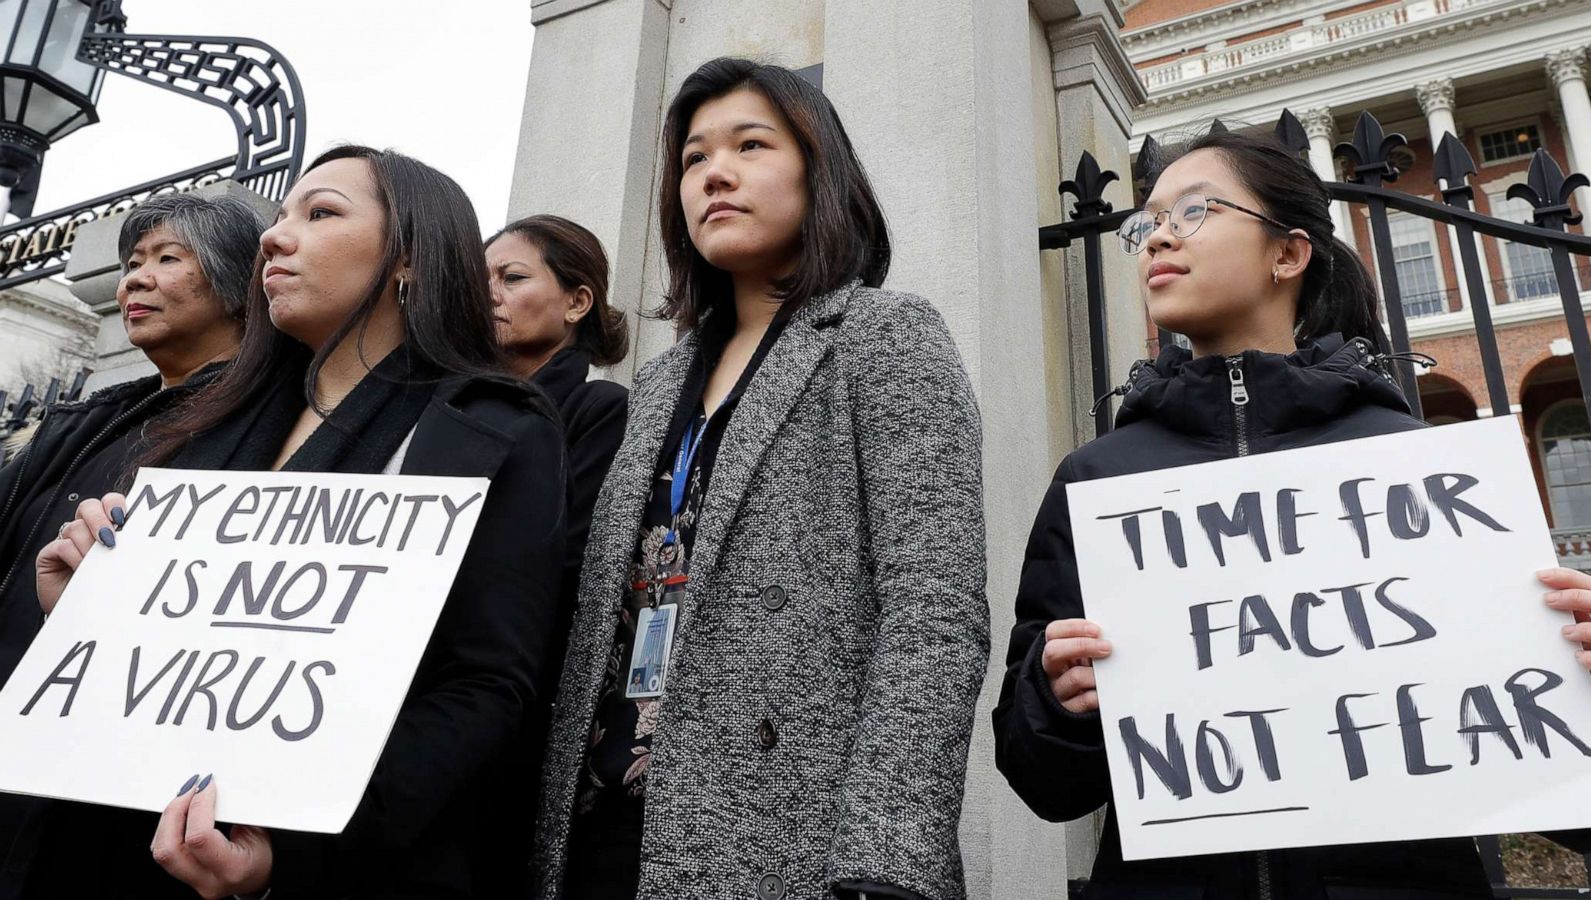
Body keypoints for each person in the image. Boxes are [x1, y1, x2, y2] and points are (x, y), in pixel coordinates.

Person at [992, 128, 1591, 898]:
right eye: (1145, 225)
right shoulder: (1097, 482)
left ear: (1289, 254)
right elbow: (1043, 785)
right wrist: (1054, 701)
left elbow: (1573, 811)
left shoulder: (1420, 474)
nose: (1156, 240)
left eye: (1193, 211)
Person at [35, 145, 568, 899]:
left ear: (409, 256)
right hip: (114, 852)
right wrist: (86, 607)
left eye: (320, 214)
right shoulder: (204, 429)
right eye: (279, 216)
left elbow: (484, 687)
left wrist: (284, 859)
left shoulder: (490, 431)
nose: (275, 237)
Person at [537, 58, 989, 900]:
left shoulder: (883, 336)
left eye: (750, 144)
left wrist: (886, 862)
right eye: (694, 157)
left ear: (820, 171)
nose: (715, 172)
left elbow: (936, 610)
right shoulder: (661, 381)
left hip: (794, 837)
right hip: (604, 825)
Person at [0, 190, 262, 896]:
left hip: (118, 799)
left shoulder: (273, 424)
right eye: (131, 263)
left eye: (167, 259)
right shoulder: (86, 423)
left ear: (239, 283)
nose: (134, 280)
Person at [486, 214, 629, 604]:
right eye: (478, 281)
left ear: (577, 303)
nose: (489, 294)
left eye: (511, 278)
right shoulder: (455, 404)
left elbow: (570, 562)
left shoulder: (601, 410)